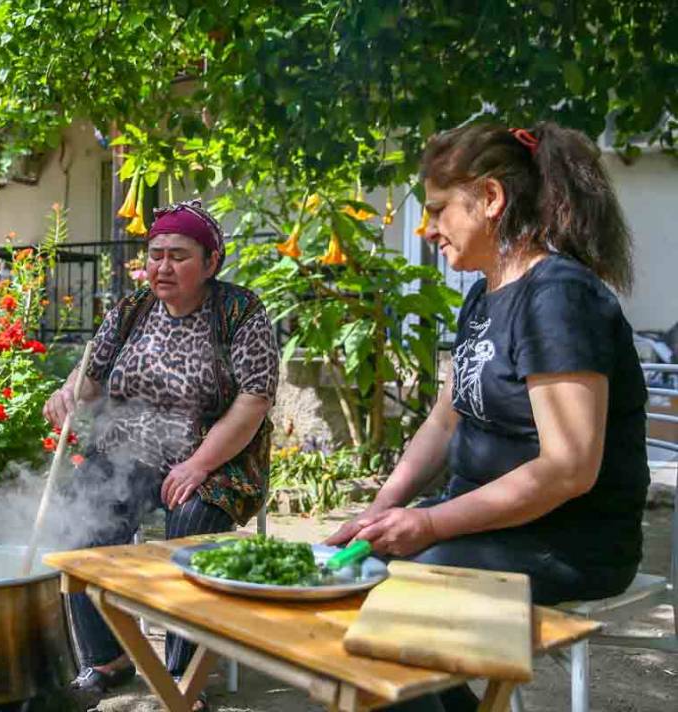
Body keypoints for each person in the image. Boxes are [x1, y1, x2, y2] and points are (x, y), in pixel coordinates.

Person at [326, 122, 648, 712]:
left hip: (567, 542)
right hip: (486, 529)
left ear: (492, 200)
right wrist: (380, 510)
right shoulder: (483, 293)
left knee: (392, 606)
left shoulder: (557, 297)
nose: (427, 229)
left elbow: (568, 469)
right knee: (343, 586)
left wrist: (429, 525)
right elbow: (444, 422)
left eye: (440, 209)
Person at [43, 200, 279, 711]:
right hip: (127, 454)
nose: (163, 267)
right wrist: (67, 393)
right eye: (155, 255)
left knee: (191, 520)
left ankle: (182, 672)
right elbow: (91, 376)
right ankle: (107, 658)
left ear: (211, 262)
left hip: (214, 458)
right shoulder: (130, 311)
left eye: (179, 255)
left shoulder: (240, 312)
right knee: (79, 516)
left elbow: (254, 399)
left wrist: (199, 464)